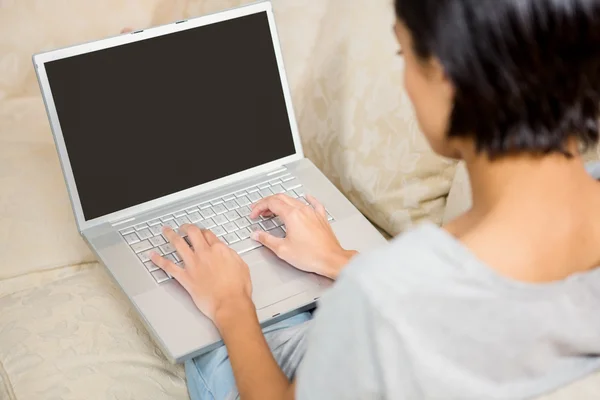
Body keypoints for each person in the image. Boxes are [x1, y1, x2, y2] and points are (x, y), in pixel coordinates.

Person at [148, 0, 600, 398]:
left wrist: (231, 304)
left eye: (404, 53)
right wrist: (338, 259)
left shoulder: (381, 296)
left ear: (445, 79)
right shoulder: (390, 289)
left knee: (203, 319)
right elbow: (474, 312)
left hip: (300, 363)